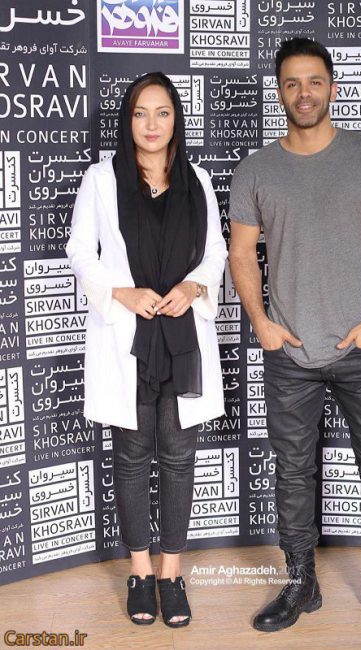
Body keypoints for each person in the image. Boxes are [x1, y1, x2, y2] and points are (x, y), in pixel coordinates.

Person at [229, 38, 361, 638]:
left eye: (314, 81)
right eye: (292, 83)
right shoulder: (256, 169)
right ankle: (301, 582)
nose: (303, 93)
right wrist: (261, 323)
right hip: (290, 353)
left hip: (360, 349)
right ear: (279, 92)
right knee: (292, 472)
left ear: (332, 87)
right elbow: (240, 253)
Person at [66, 72, 227, 627]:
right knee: (132, 458)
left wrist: (194, 286)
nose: (152, 124)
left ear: (176, 118)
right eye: (140, 113)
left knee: (179, 458)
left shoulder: (197, 180)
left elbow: (216, 252)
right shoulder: (101, 179)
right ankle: (139, 570)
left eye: (162, 112)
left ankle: (170, 573)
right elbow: (80, 251)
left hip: (182, 339)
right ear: (127, 120)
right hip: (127, 338)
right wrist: (121, 293)